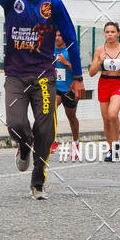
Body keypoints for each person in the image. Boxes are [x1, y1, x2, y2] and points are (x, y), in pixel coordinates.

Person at [0, 0, 85, 199]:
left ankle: (38, 182)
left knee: (46, 130)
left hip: (44, 76)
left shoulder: (53, 3)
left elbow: (70, 41)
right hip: (15, 75)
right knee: (15, 124)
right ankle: (24, 148)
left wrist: (77, 77)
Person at [89, 22, 120, 161]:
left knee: (112, 114)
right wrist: (99, 62)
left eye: (112, 32)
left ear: (118, 34)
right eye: (107, 32)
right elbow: (92, 72)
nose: (109, 34)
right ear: (104, 34)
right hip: (104, 83)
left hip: (119, 83)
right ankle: (111, 149)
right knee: (106, 119)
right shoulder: (99, 50)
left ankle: (116, 144)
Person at [51, 29, 80, 161]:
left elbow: (77, 71)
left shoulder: (71, 51)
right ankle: (53, 139)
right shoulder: (49, 49)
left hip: (69, 89)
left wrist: (66, 63)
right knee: (51, 109)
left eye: (60, 35)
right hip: (54, 88)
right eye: (55, 35)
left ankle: (76, 142)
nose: (57, 38)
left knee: (72, 118)